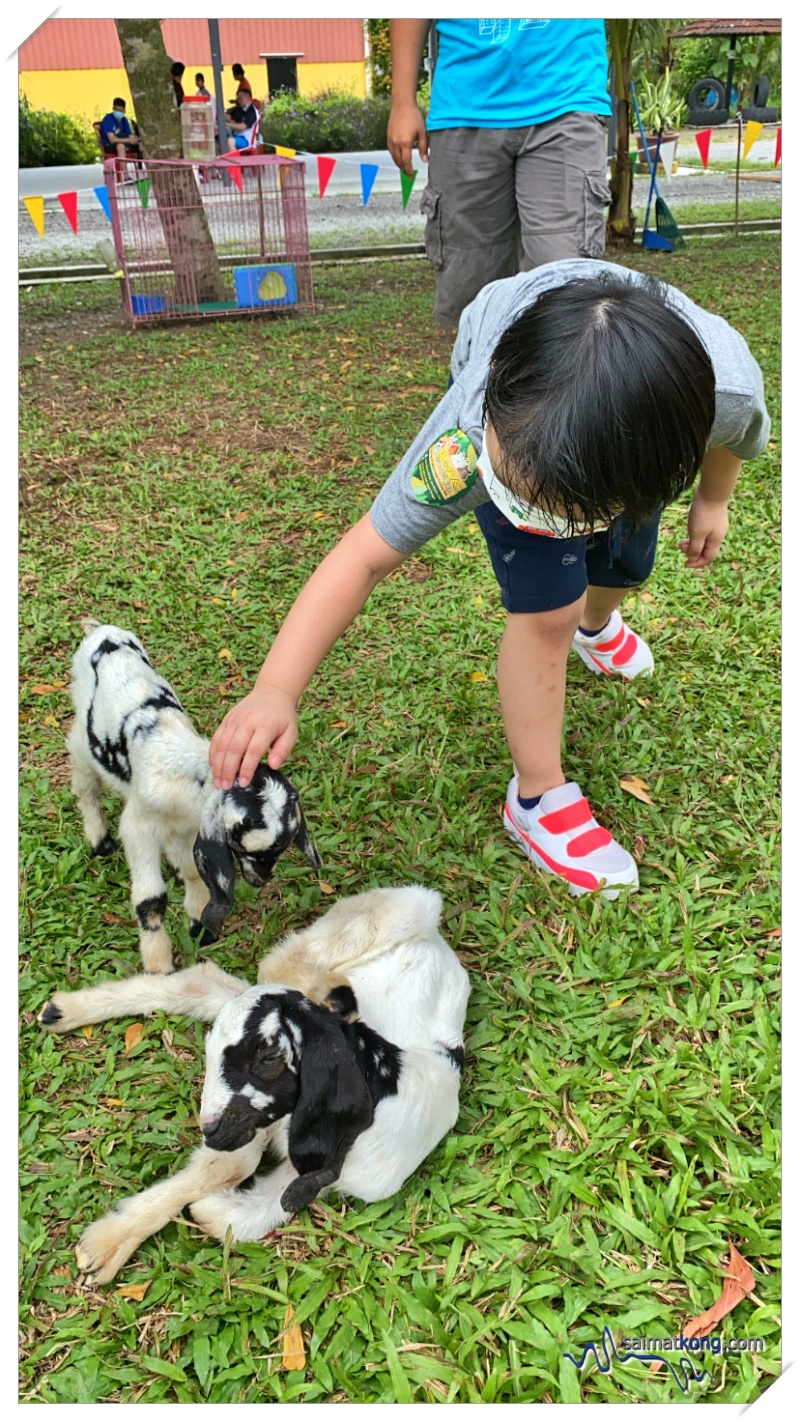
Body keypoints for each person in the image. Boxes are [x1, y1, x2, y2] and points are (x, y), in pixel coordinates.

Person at [208, 261, 770, 901]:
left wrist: (713, 499)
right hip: (517, 377)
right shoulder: (469, 440)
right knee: (546, 612)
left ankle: (598, 623)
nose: (555, 527)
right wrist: (275, 688)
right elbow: (363, 555)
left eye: (574, 517)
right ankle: (538, 795)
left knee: (624, 565)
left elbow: (736, 434)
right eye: (535, 503)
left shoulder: (723, 388)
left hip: (633, 419)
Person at [387, 19, 613, 327]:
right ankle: (477, 374)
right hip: (465, 103)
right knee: (472, 306)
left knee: (566, 297)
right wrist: (402, 101)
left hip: (566, 96)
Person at [98, 98, 142, 180]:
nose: (118, 112)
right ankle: (126, 177)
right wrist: (128, 140)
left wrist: (135, 140)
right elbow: (112, 139)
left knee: (142, 144)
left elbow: (129, 135)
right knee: (120, 146)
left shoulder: (124, 120)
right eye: (116, 109)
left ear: (124, 111)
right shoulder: (108, 119)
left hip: (123, 141)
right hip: (109, 145)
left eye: (120, 110)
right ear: (113, 108)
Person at [226, 86, 259, 150]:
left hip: (246, 140)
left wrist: (228, 125)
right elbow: (237, 122)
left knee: (230, 141)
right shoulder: (242, 110)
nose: (238, 101)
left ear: (247, 97)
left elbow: (242, 126)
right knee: (220, 140)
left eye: (240, 98)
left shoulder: (252, 112)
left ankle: (235, 159)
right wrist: (229, 120)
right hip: (238, 136)